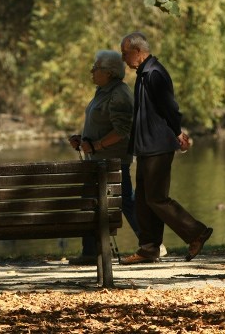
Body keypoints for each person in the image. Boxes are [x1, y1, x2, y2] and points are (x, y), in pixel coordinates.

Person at [119, 31, 212, 265]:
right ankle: (149, 248)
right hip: (145, 146)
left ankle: (196, 232)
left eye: (125, 53)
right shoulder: (144, 73)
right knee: (143, 199)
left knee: (157, 197)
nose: (123, 58)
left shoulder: (154, 74)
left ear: (138, 52)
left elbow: (170, 107)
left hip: (157, 146)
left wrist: (177, 131)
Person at [67, 50, 141, 265]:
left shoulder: (119, 94)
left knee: (125, 201)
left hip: (112, 161)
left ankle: (151, 244)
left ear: (109, 72)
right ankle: (90, 251)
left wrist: (96, 145)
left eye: (96, 68)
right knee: (93, 203)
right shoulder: (103, 91)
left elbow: (122, 131)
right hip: (98, 160)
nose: (92, 71)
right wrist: (83, 140)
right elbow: (102, 124)